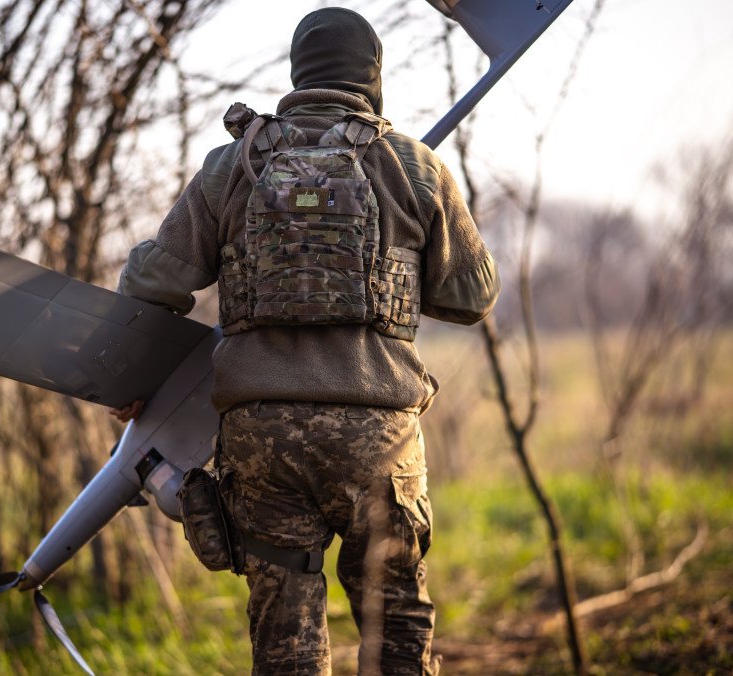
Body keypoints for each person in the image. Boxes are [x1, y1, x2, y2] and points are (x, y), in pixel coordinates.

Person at [112, 7, 499, 675]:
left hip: (262, 442)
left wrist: (132, 385)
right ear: (371, 78)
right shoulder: (415, 165)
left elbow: (151, 283)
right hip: (378, 439)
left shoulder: (231, 165)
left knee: (286, 647)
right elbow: (472, 297)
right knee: (396, 631)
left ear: (299, 74)